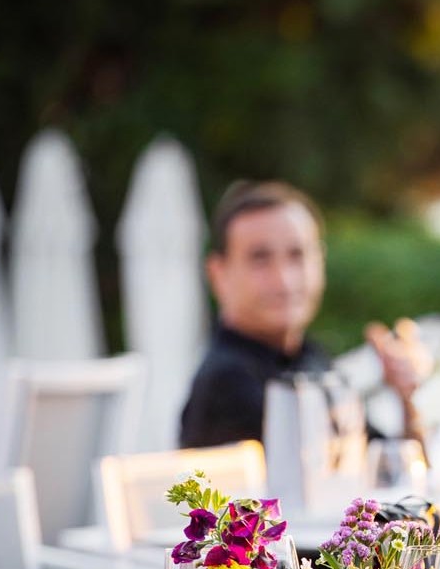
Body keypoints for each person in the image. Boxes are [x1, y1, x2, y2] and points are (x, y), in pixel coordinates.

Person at [180, 180, 424, 449]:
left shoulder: (309, 358)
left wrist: (407, 398)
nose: (284, 280)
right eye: (260, 259)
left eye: (297, 255)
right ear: (218, 274)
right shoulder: (227, 388)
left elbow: (384, 460)